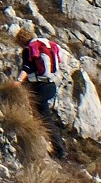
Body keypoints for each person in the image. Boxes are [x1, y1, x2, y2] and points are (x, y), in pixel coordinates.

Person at [12, 28, 65, 156]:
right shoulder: (48, 45)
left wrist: (18, 81)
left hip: (39, 87)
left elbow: (27, 67)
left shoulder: (29, 49)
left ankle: (58, 149)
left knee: (44, 117)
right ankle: (56, 145)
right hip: (51, 85)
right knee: (43, 114)